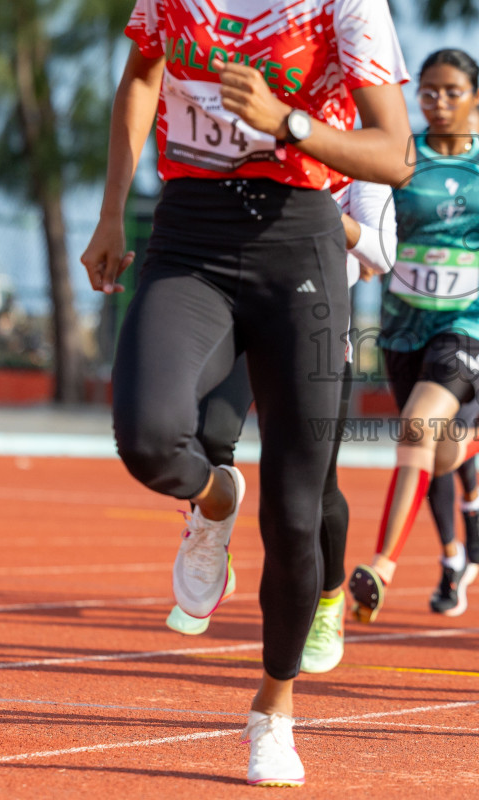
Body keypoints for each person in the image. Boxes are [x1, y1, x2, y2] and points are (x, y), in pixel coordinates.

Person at [80, 0, 411, 787]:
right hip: (189, 229)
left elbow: (393, 154)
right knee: (146, 436)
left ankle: (273, 708)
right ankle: (212, 493)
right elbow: (142, 74)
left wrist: (289, 122)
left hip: (300, 242)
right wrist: (110, 211)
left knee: (301, 510)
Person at [166, 175, 396, 683]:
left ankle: (329, 602)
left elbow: (381, 253)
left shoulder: (358, 157)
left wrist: (318, 216)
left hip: (312, 330)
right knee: (205, 435)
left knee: (314, 486)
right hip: (238, 316)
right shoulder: (250, 138)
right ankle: (211, 546)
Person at [347, 48, 479, 622]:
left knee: (416, 427)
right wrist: (363, 253)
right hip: (404, 326)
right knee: (432, 449)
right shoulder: (400, 156)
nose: (438, 102)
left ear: (476, 98)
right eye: (428, 91)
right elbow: (374, 220)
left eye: (452, 91)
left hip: (475, 324)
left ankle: (381, 567)